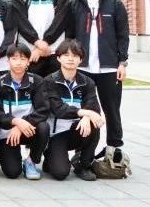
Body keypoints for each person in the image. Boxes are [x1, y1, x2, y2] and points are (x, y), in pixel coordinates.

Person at [68, 0, 129, 161]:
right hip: (82, 68)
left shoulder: (115, 4)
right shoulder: (74, 4)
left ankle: (113, 149)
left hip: (109, 68)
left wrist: (122, 62)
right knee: (83, 110)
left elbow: (123, 36)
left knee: (112, 110)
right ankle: (81, 150)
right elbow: (70, 36)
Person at [42, 39, 104, 181]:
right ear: (58, 58)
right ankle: (50, 156)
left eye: (75, 56)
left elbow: (93, 107)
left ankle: (83, 165)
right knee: (60, 173)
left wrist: (87, 117)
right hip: (56, 134)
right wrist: (84, 113)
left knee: (94, 123)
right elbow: (58, 109)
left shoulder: (87, 82)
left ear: (80, 60)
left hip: (76, 129)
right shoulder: (49, 81)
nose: (70, 59)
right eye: (66, 55)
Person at [0, 44, 49, 180]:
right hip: (7, 132)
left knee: (43, 127)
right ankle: (1, 150)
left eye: (23, 59)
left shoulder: (37, 81)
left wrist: (21, 124)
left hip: (29, 128)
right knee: (12, 172)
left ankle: (31, 161)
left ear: (28, 61)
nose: (18, 62)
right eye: (14, 58)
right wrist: (15, 122)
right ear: (8, 61)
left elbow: (43, 110)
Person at [11, 0, 71, 76]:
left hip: (54, 51)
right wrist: (37, 43)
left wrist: (45, 43)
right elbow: (21, 21)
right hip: (30, 54)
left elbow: (61, 21)